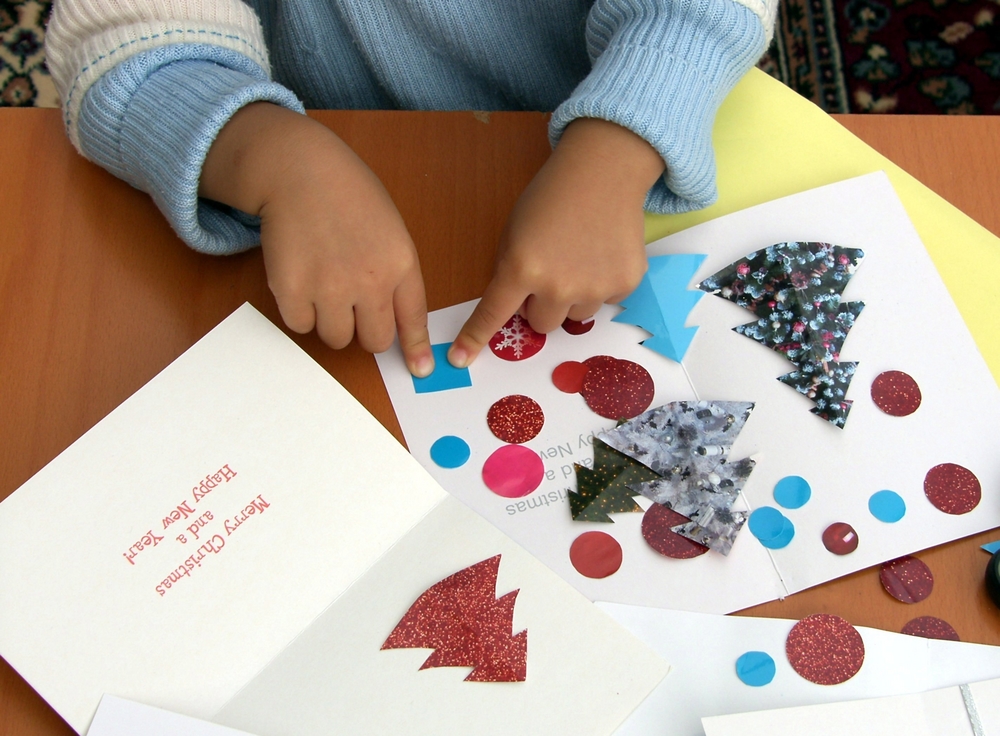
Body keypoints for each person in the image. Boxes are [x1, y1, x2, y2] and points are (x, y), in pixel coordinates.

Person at [45, 1, 776, 377]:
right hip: (317, 167)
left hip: (638, 124)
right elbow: (122, 44)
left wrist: (620, 149)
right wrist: (273, 159)